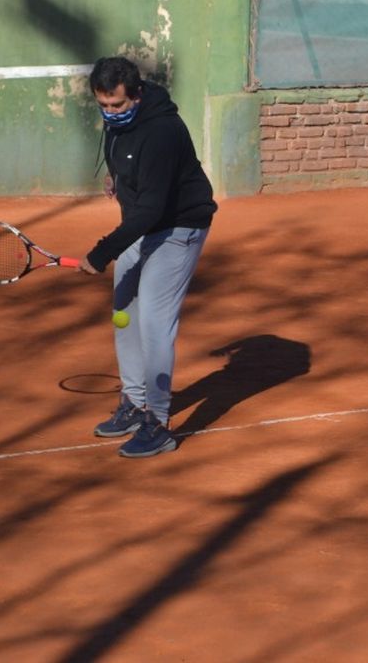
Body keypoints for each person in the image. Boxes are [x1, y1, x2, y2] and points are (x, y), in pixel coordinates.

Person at [80, 57, 217, 458]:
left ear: (136, 95)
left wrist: (102, 252)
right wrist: (117, 178)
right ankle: (135, 403)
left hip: (177, 229)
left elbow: (151, 210)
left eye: (117, 106)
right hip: (143, 226)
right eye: (103, 106)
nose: (110, 113)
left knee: (155, 324)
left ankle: (157, 423)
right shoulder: (118, 120)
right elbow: (122, 151)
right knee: (124, 310)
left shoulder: (162, 132)